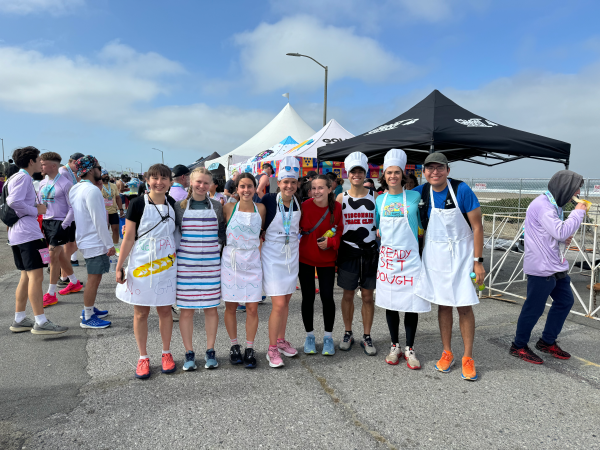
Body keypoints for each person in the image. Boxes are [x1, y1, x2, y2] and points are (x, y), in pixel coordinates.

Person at [413, 152, 484, 381]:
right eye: (430, 168)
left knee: (464, 306)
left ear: (448, 170)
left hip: (462, 256)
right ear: (424, 172)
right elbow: (395, 201)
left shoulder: (461, 190)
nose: (435, 172)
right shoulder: (421, 193)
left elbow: (477, 227)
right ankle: (447, 352)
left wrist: (478, 261)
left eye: (439, 168)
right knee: (443, 306)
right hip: (435, 257)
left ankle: (468, 357)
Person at [510, 171, 587, 364]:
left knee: (565, 301)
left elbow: (554, 233)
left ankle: (547, 341)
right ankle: (518, 346)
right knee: (534, 308)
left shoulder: (554, 205)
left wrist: (561, 236)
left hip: (555, 263)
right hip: (541, 266)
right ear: (564, 187)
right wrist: (578, 212)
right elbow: (560, 231)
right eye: (575, 188)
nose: (577, 192)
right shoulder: (543, 205)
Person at [116, 163, 179, 379]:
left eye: (164, 178)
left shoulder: (173, 204)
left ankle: (166, 353)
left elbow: (177, 234)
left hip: (166, 264)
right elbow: (129, 237)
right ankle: (143, 356)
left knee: (164, 311)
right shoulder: (136, 204)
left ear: (171, 182)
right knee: (141, 312)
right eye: (154, 178)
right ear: (147, 180)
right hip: (142, 263)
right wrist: (119, 265)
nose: (159, 182)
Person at [375, 149, 430, 369]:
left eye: (396, 172)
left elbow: (422, 224)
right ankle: (394, 345)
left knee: (411, 304)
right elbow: (379, 227)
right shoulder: (380, 200)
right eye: (389, 173)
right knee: (391, 303)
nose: (393, 176)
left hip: (409, 261)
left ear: (403, 174)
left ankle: (410, 348)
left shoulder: (415, 197)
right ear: (384, 176)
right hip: (389, 260)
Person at [8, 146, 68, 335]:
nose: (40, 163)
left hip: (19, 233)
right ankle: (40, 321)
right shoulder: (24, 177)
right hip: (27, 234)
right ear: (32, 161)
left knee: (25, 276)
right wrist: (36, 210)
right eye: (38, 159)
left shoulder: (14, 177)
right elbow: (14, 201)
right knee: (36, 277)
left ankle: (19, 318)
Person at [173, 168, 226, 371]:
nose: (202, 186)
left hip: (212, 266)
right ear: (190, 182)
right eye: (198, 182)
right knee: (186, 311)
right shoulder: (179, 207)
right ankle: (189, 353)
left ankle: (210, 351)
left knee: (211, 309)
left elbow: (221, 232)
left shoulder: (216, 206)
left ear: (211, 185)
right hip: (186, 266)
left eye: (206, 183)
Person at [259, 157, 301, 368]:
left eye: (293, 182)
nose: (289, 186)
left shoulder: (297, 201)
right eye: (285, 181)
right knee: (279, 304)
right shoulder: (268, 199)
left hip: (292, 255)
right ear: (279, 182)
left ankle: (281, 340)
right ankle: (272, 348)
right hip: (273, 256)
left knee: (286, 302)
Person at [336, 152, 379, 356]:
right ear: (348, 173)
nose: (357, 175)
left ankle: (367, 335)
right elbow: (335, 225)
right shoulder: (340, 197)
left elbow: (380, 223)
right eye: (353, 171)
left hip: (369, 252)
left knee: (368, 296)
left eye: (360, 171)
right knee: (348, 294)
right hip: (348, 251)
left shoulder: (375, 196)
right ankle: (347, 332)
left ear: (365, 173)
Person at [221, 173, 266, 369]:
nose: (246, 190)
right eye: (242, 186)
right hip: (231, 260)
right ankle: (234, 346)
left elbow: (261, 234)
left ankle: (250, 347)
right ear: (236, 189)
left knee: (252, 308)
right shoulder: (228, 208)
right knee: (231, 307)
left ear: (255, 188)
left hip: (253, 261)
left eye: (249, 186)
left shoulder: (261, 209)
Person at [299, 175, 343, 356]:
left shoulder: (337, 208)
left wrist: (331, 243)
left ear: (330, 189)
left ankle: (328, 337)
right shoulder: (304, 206)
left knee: (327, 298)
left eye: (321, 188)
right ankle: (309, 336)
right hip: (305, 258)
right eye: (313, 188)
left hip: (327, 259)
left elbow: (340, 231)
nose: (316, 191)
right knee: (308, 298)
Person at [69, 156, 114, 329]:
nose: (100, 171)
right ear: (90, 170)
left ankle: (90, 308)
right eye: (98, 167)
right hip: (94, 241)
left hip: (85, 238)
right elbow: (99, 220)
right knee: (93, 280)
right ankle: (88, 316)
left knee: (93, 278)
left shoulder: (75, 188)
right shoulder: (93, 190)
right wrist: (109, 244)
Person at [37, 152, 80, 307]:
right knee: (60, 255)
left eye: (43, 163)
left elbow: (72, 207)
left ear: (53, 166)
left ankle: (51, 293)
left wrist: (63, 225)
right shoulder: (42, 183)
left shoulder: (65, 183)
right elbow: (40, 205)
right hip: (46, 223)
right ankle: (74, 282)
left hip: (60, 223)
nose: (40, 166)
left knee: (53, 257)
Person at [58, 152, 84, 269]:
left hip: (71, 212)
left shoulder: (69, 172)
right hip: (66, 213)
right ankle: (61, 269)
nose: (80, 168)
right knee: (68, 245)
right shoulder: (62, 172)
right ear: (74, 162)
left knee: (71, 244)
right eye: (79, 165)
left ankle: (62, 271)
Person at [101, 169, 124, 245]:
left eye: (107, 174)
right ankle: (105, 247)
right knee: (104, 231)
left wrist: (121, 209)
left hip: (113, 211)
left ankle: (116, 246)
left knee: (115, 229)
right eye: (104, 174)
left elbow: (118, 198)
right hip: (103, 212)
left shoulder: (113, 186)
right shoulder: (98, 186)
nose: (106, 175)